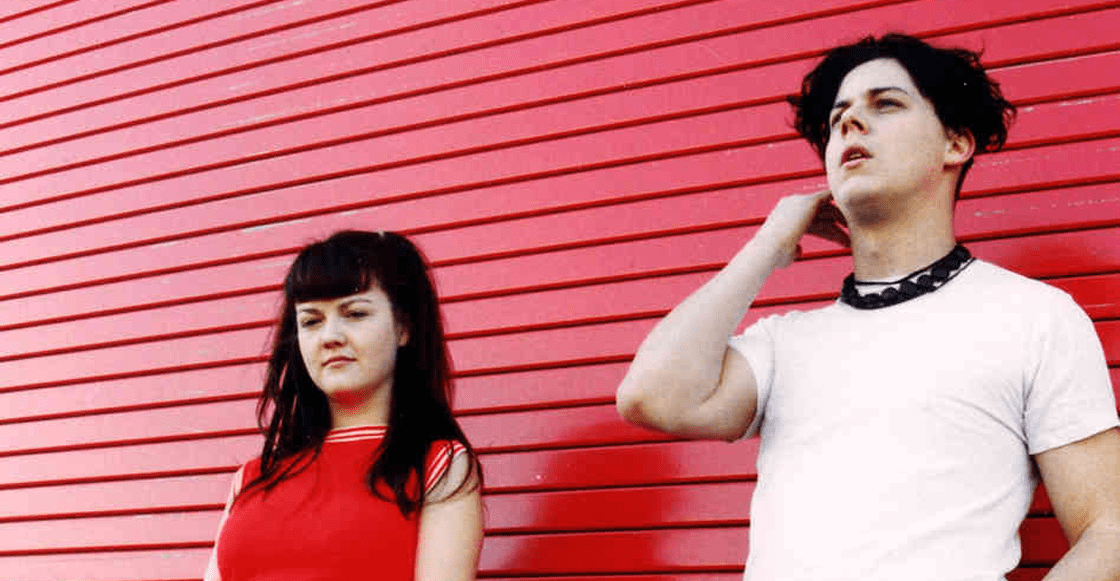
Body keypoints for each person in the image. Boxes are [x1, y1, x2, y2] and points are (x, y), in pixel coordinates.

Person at [616, 34, 1120, 580]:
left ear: (955, 144)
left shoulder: (1034, 318)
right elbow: (652, 398)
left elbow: (1109, 530)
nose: (851, 123)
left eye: (886, 104)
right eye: (838, 119)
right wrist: (766, 245)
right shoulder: (784, 343)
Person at [204, 230, 483, 580]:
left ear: (403, 328)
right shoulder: (249, 480)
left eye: (354, 313)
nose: (330, 337)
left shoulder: (439, 467)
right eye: (311, 321)